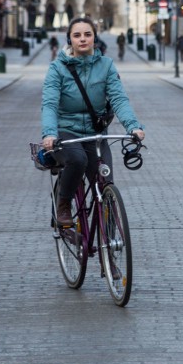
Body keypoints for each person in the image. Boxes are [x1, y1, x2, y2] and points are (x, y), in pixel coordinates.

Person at [41, 17, 145, 226]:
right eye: (77, 35)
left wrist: (133, 126)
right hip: (66, 131)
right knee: (78, 160)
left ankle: (109, 236)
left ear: (94, 38)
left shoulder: (106, 65)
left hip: (95, 133)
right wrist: (50, 133)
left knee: (105, 181)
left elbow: (118, 98)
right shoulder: (57, 68)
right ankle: (63, 205)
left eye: (87, 34)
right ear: (69, 39)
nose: (82, 39)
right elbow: (50, 104)